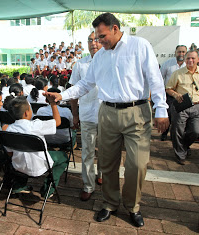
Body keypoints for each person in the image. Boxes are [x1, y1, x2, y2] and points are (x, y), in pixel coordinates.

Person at [45, 13, 169, 227]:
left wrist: (161, 108)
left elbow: (154, 78)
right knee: (108, 163)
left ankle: (133, 206)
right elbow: (85, 84)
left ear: (115, 28)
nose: (99, 42)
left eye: (102, 36)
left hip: (137, 112)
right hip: (108, 113)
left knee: (137, 165)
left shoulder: (139, 46)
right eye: (96, 38)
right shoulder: (100, 57)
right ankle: (110, 202)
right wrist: (62, 95)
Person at [5, 96, 68, 197]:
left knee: (22, 154)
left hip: (18, 167)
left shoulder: (8, 130)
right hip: (40, 166)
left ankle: (19, 185)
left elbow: (10, 153)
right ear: (26, 113)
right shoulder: (36, 125)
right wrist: (53, 104)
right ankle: (48, 189)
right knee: (63, 157)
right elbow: (58, 122)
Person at [69, 31, 103, 202]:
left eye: (97, 39)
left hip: (108, 116)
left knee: (106, 151)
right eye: (90, 40)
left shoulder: (111, 61)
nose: (93, 43)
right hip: (88, 115)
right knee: (88, 152)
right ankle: (88, 186)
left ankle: (102, 174)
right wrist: (75, 114)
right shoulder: (80, 65)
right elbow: (74, 92)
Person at [165, 50, 199, 165]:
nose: (190, 60)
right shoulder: (178, 73)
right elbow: (168, 88)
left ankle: (183, 146)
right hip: (181, 106)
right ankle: (180, 154)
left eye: (193, 58)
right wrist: (176, 95)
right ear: (185, 60)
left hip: (197, 106)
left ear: (198, 60)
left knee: (195, 131)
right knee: (177, 131)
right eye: (188, 58)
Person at [160, 45, 187, 141]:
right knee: (168, 115)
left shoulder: (188, 65)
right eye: (179, 52)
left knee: (180, 117)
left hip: (182, 96)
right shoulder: (167, 64)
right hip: (169, 94)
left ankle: (176, 136)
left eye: (183, 52)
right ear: (175, 52)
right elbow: (160, 78)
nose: (181, 54)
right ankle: (164, 133)